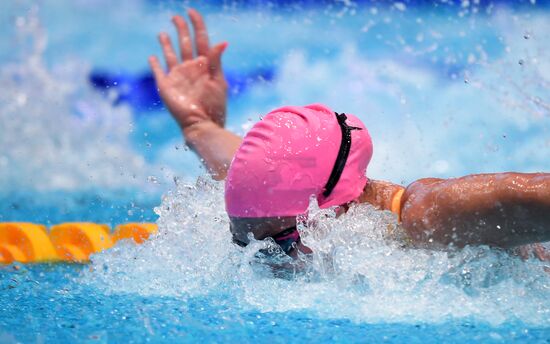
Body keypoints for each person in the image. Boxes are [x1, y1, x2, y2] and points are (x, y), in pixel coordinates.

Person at [149, 9, 550, 260]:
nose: (265, 262)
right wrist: (199, 125)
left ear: (332, 207)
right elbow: (248, 173)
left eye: (279, 246)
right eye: (245, 245)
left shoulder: (432, 216)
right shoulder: (275, 210)